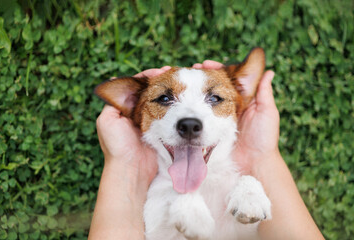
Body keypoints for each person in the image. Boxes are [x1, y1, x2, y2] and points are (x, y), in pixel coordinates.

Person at [88, 62, 324, 240]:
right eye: (163, 98)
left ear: (236, 114)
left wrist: (258, 167)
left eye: (215, 98)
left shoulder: (244, 189)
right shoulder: (158, 198)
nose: (190, 122)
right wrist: (123, 162)